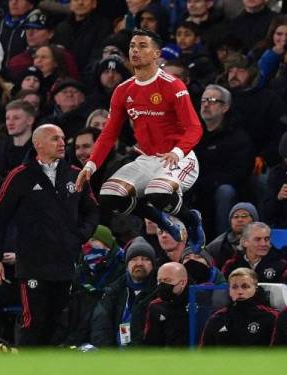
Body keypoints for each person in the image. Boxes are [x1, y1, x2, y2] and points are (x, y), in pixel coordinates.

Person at [75, 28, 203, 243]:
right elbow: (108, 134)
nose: (135, 50)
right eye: (132, 46)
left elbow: (195, 128)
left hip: (180, 157)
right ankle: (162, 221)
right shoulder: (123, 90)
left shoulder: (173, 85)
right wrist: (90, 166)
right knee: (109, 195)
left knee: (158, 191)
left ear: (156, 54)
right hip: (147, 159)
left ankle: (191, 219)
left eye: (142, 46)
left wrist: (177, 151)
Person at [0, 124, 99, 345]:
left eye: (62, 138)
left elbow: (94, 209)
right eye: (54, 138)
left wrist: (81, 235)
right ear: (38, 143)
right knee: (33, 323)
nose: (61, 143)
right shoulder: (19, 176)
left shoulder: (76, 174)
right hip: (33, 265)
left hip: (65, 263)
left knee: (58, 323)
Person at [192, 84, 254, 237]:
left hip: (226, 188)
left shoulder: (237, 137)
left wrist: (209, 183)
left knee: (224, 191)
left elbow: (239, 172)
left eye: (212, 100)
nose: (206, 104)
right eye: (204, 100)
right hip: (198, 187)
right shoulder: (192, 134)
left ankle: (223, 241)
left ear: (225, 107)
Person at [90, 236, 158, 347]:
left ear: (153, 265)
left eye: (145, 259)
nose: (139, 263)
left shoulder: (158, 292)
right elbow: (101, 328)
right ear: (127, 265)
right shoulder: (114, 291)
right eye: (134, 259)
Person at [200, 267, 277, 346]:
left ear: (256, 289)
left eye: (245, 287)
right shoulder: (217, 319)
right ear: (229, 291)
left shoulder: (270, 317)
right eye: (234, 287)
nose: (240, 292)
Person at [222, 222, 287, 283]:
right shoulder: (232, 266)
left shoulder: (280, 265)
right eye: (257, 239)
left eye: (266, 239)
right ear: (244, 242)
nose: (263, 244)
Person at [143, 262, 189, 346]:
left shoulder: (198, 300)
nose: (162, 285)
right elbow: (152, 343)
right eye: (160, 281)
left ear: (183, 282)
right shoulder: (156, 306)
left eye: (168, 280)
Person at [206, 202, 259, 268]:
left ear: (254, 220)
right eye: (235, 216)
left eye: (244, 216)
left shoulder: (264, 241)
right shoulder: (216, 246)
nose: (240, 220)